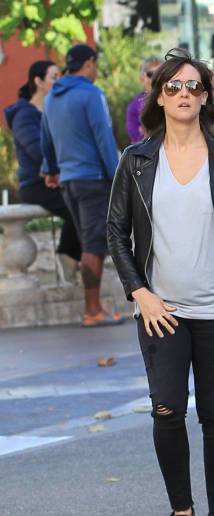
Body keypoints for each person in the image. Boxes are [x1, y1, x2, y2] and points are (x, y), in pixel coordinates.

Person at [107, 48, 214, 516]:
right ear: (158, 95)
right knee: (167, 410)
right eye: (172, 86)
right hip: (161, 310)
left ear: (206, 97)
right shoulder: (135, 160)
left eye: (193, 87)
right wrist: (141, 292)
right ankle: (181, 513)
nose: (183, 94)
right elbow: (115, 232)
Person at [41, 44, 124, 327]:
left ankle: (93, 307)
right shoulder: (91, 94)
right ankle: (92, 311)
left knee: (89, 242)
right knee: (93, 245)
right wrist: (116, 176)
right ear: (89, 63)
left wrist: (50, 169)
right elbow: (104, 136)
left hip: (68, 181)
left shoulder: (52, 96)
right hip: (92, 180)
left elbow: (46, 137)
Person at [4, 61, 81, 280]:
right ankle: (67, 254)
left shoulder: (56, 111)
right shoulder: (24, 115)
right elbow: (37, 151)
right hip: (35, 184)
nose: (59, 82)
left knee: (89, 200)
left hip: (62, 177)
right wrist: (54, 171)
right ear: (38, 81)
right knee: (77, 204)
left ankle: (72, 255)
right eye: (54, 77)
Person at [126, 56, 162, 143]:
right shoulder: (134, 107)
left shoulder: (173, 100)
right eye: (151, 74)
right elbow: (136, 138)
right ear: (142, 78)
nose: (155, 79)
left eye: (159, 74)